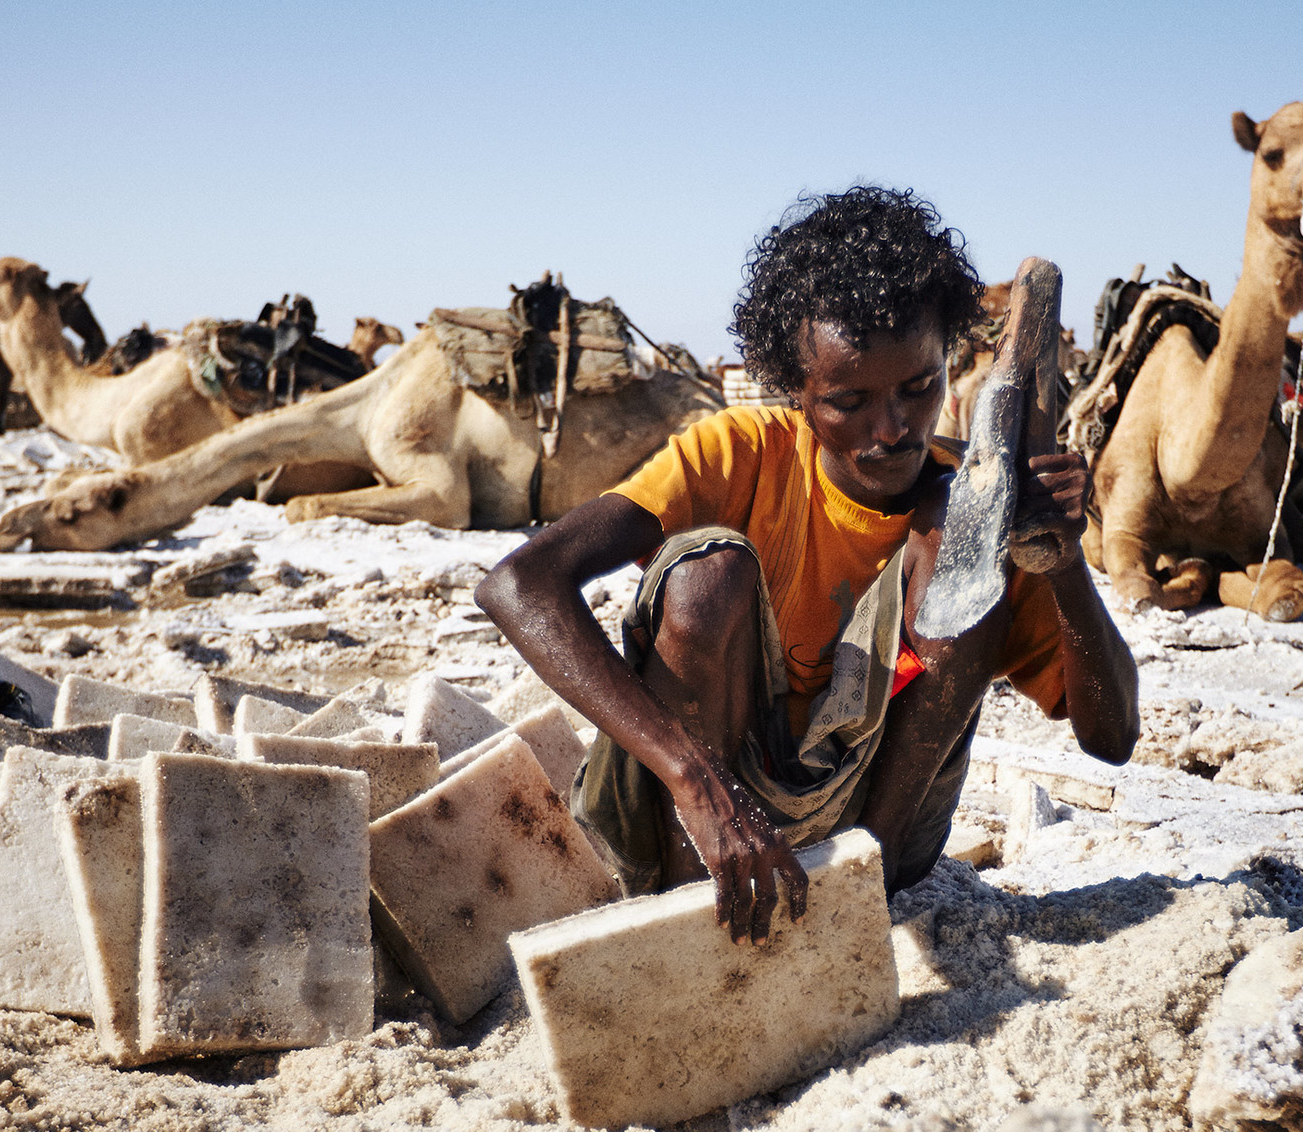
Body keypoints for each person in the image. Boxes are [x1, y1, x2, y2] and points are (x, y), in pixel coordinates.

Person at [477, 185, 1139, 942]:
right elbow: (518, 582)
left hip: (877, 828)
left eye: (919, 387)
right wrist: (696, 782)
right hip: (697, 809)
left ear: (947, 362)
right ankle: (699, 917)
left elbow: (1112, 737)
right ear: (797, 391)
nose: (892, 429)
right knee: (707, 572)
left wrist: (1063, 565)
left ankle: (857, 903)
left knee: (960, 546)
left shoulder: (978, 504)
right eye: (848, 400)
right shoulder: (739, 455)